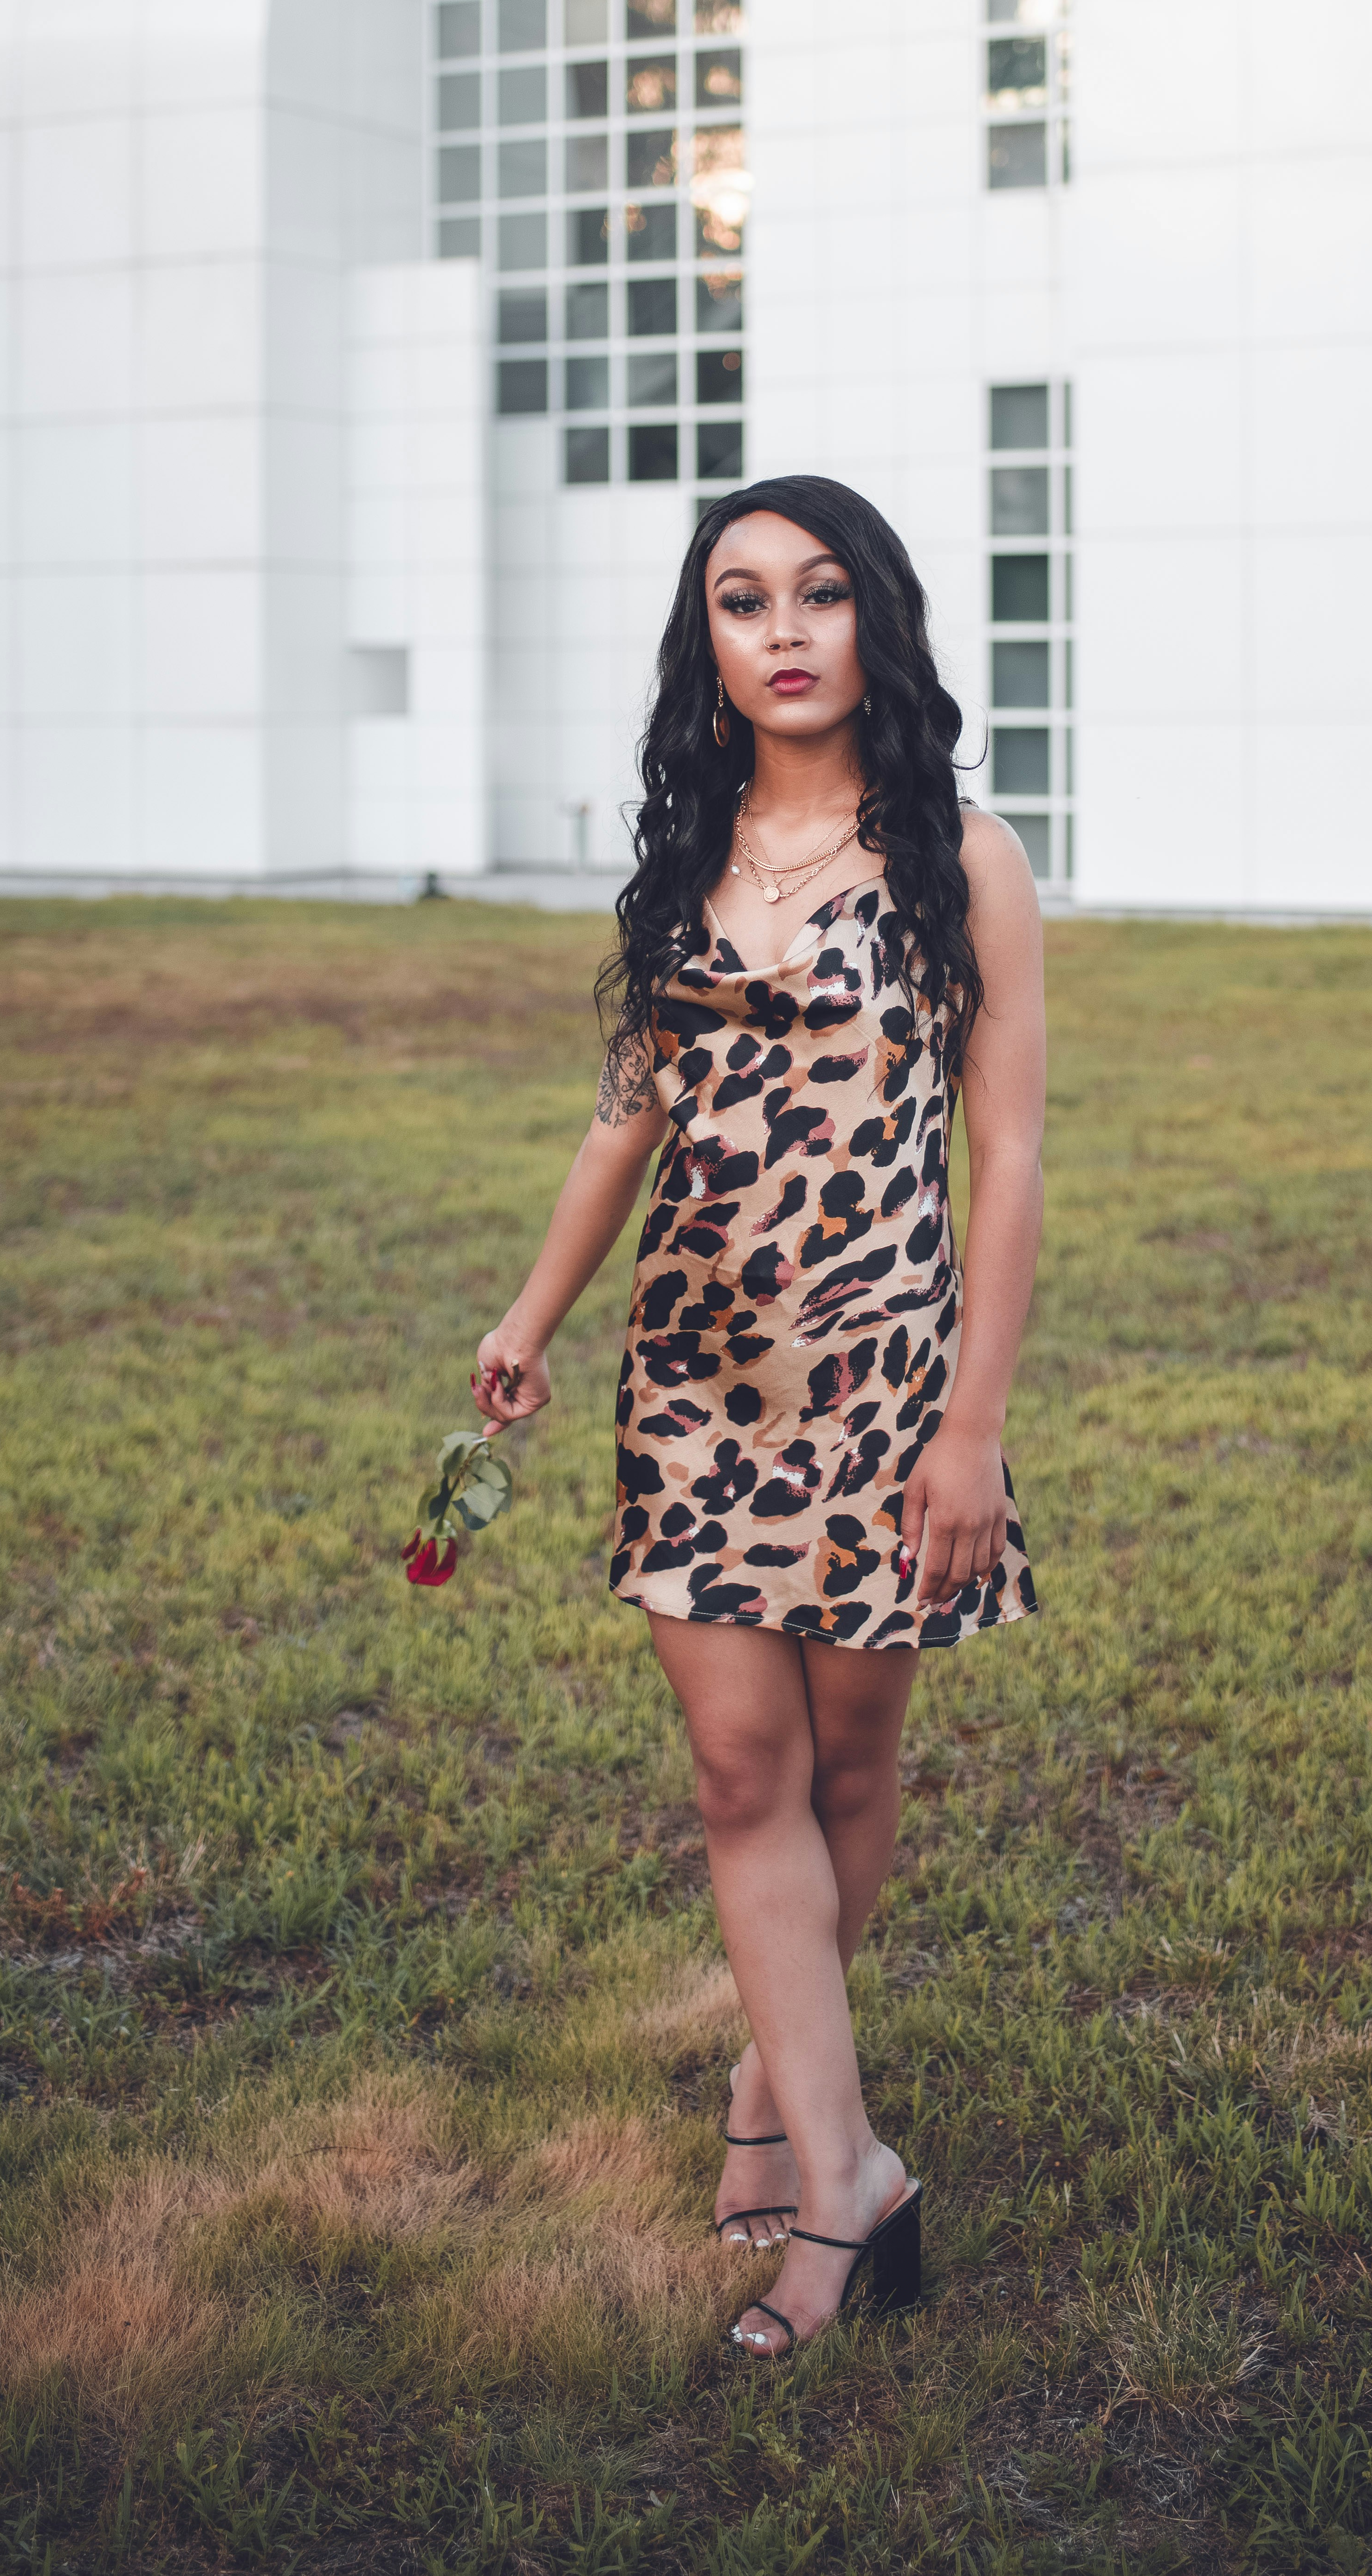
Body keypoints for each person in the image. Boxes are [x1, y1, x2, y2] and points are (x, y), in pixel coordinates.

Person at [471, 473, 1044, 2362]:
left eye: (817, 593)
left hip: (886, 1391)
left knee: (851, 1776)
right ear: (703, 645)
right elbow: (626, 1110)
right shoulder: (691, 853)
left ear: (873, 621)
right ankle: (844, 2175)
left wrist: (971, 1432)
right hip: (693, 1385)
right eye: (740, 600)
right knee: (743, 1778)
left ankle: (768, 2083)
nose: (784, 629)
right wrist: (531, 1314)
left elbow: (1010, 1156)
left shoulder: (959, 854)